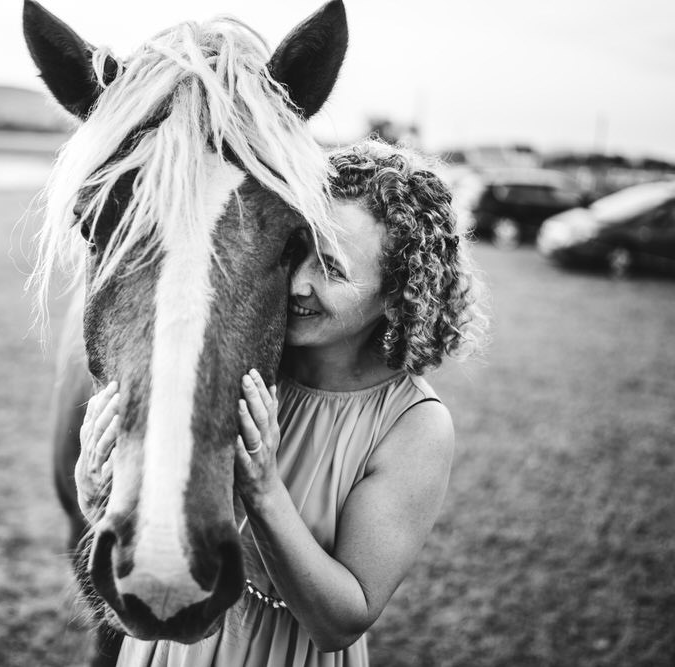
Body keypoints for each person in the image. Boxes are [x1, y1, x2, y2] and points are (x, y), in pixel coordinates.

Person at [77, 138, 488, 666]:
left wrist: (264, 488)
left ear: (397, 295)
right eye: (297, 250)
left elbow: (342, 620)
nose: (296, 283)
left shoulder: (414, 427)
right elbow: (163, 524)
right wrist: (99, 496)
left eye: (333, 269)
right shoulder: (247, 365)